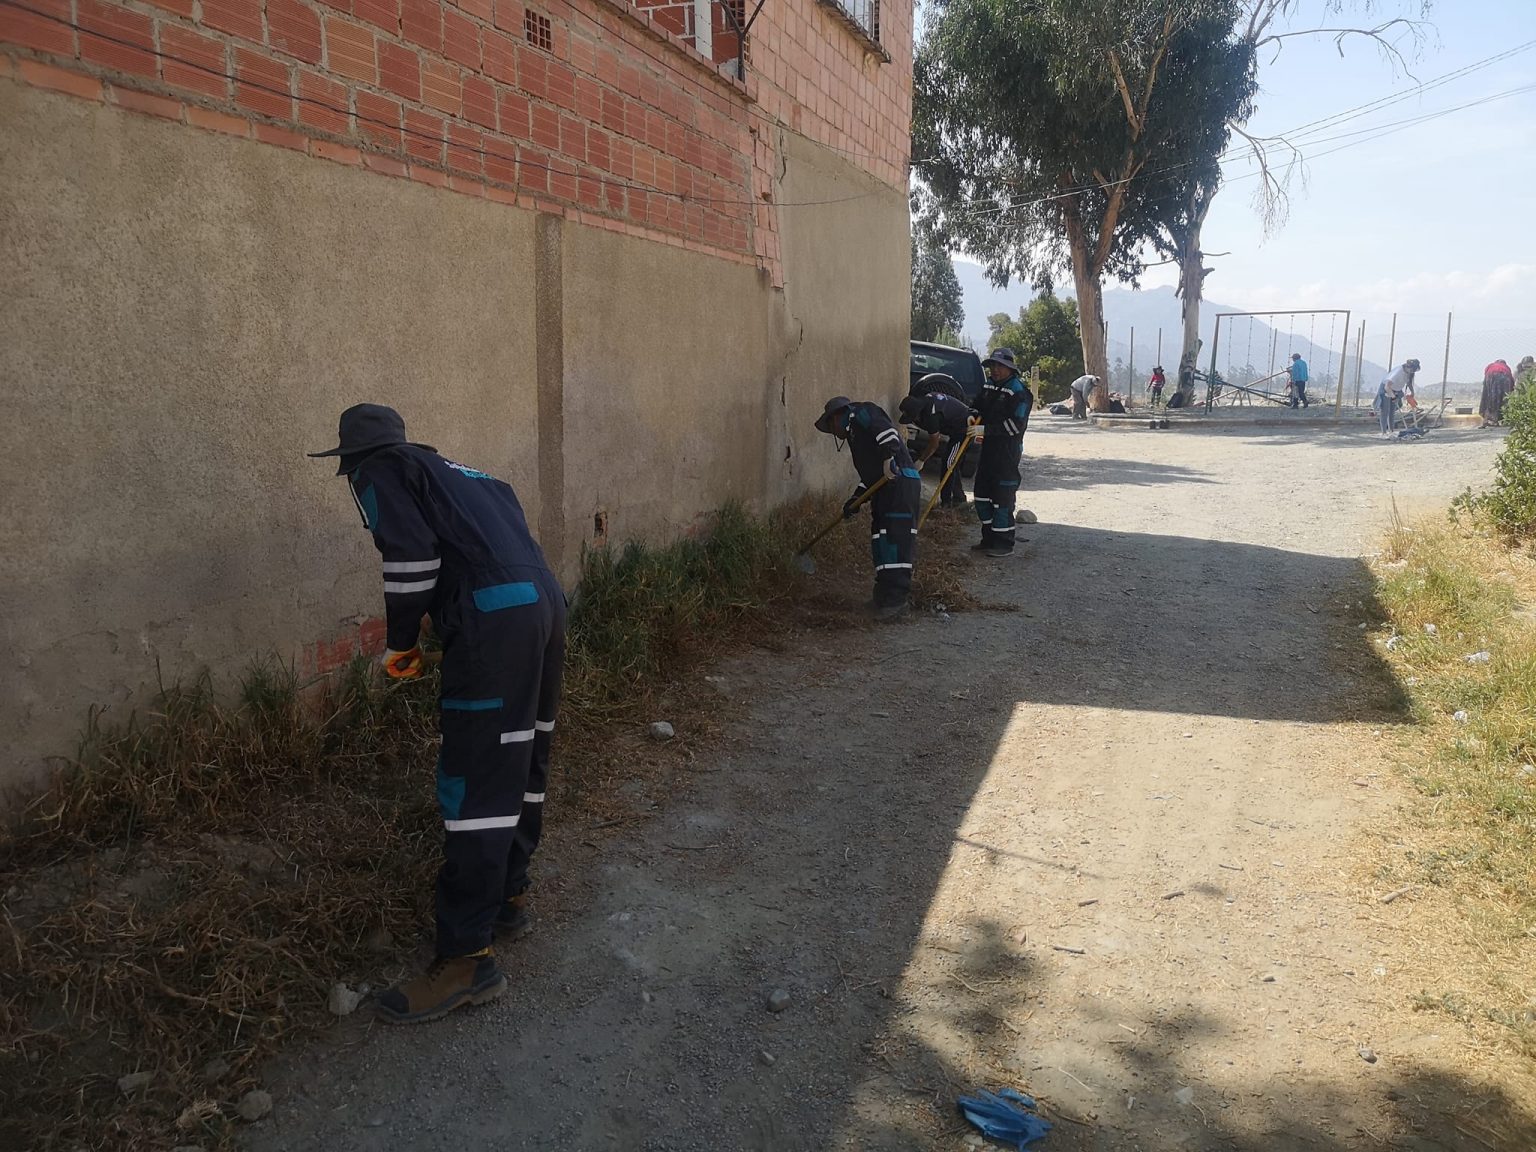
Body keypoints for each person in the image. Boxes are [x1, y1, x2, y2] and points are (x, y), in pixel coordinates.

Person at [309, 404, 566, 1024]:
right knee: (523, 754)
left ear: (353, 462)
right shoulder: (475, 478)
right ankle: (508, 895)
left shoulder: (382, 468)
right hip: (545, 606)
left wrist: (401, 644)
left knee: (475, 778)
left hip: (494, 619)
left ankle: (466, 961)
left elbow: (412, 561)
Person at [815, 396, 922, 621]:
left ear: (837, 416)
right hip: (883, 488)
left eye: (831, 426)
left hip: (900, 483)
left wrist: (888, 457)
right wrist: (856, 499)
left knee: (895, 540)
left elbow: (888, 434)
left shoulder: (862, 413)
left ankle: (896, 601)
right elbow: (871, 477)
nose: (833, 432)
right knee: (881, 540)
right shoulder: (855, 436)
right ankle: (883, 596)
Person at [973, 348, 1032, 557]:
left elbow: (1016, 425)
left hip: (1007, 453)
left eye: (1000, 366)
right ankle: (988, 538)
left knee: (1002, 498)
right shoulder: (989, 385)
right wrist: (972, 416)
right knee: (981, 496)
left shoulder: (1019, 392)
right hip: (987, 451)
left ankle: (1004, 543)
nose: (995, 370)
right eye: (993, 365)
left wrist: (985, 430)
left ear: (1010, 368)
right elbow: (977, 406)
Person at [898, 389, 974, 508]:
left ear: (918, 413)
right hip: (955, 427)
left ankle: (946, 503)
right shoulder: (925, 401)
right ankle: (959, 498)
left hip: (964, 429)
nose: (915, 421)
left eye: (913, 418)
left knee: (949, 463)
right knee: (951, 462)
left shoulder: (931, 415)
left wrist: (921, 461)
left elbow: (934, 444)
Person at [1376, 358, 1420, 439]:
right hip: (1386, 389)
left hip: (1396, 390)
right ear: (1407, 366)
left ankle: (1391, 431)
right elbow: (1387, 386)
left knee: (1392, 412)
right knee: (1385, 411)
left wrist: (1412, 392)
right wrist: (1393, 397)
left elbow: (1409, 383)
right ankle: (1384, 433)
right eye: (1412, 369)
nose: (1412, 371)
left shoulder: (1410, 373)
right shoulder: (1398, 372)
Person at [1480, 358, 1515, 426]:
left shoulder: (1491, 366)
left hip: (1490, 376)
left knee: (1489, 398)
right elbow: (1511, 382)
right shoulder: (1506, 367)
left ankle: (1486, 420)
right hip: (1504, 377)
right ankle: (1502, 420)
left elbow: (1486, 376)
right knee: (1504, 399)